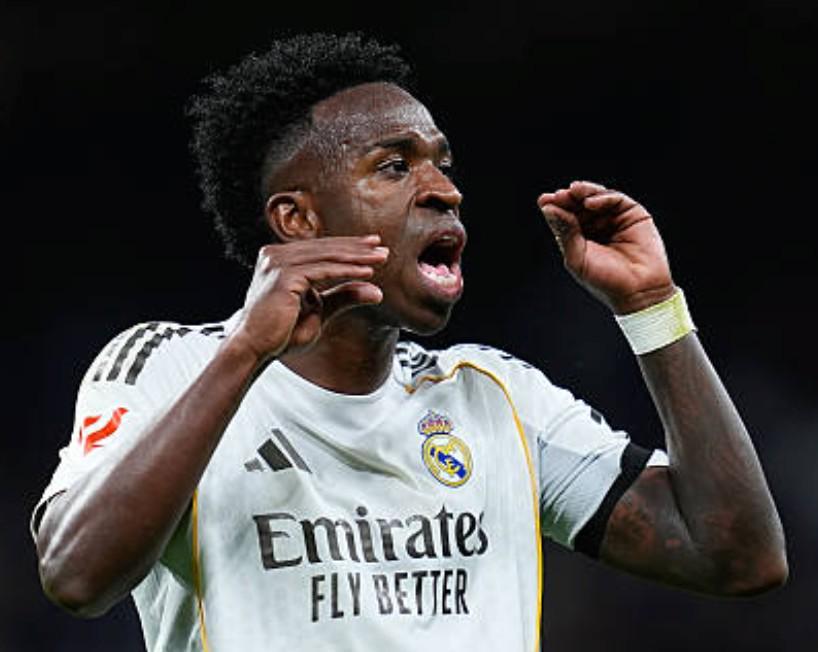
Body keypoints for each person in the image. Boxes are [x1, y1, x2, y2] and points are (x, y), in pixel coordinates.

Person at [32, 32, 787, 651]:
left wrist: (652, 308)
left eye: (443, 165)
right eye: (394, 166)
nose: (444, 189)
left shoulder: (495, 398)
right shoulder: (171, 365)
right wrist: (244, 355)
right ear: (297, 219)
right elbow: (75, 576)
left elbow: (738, 556)